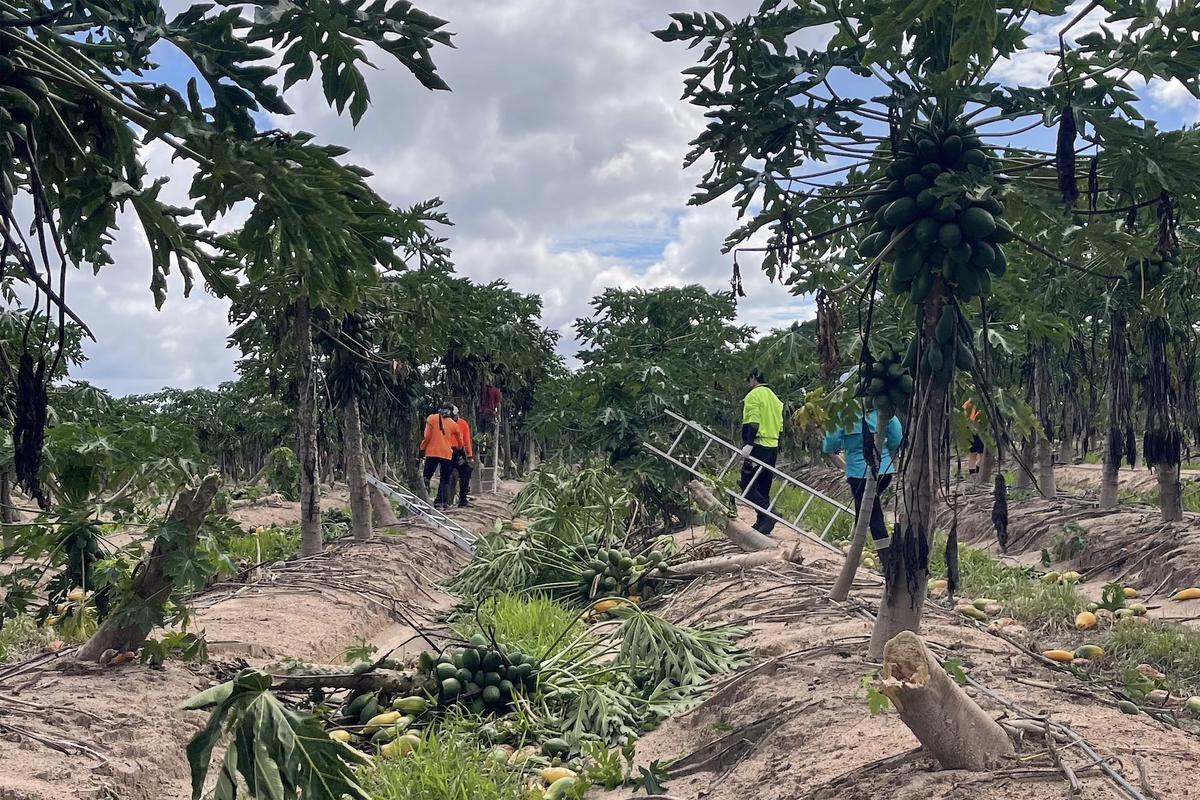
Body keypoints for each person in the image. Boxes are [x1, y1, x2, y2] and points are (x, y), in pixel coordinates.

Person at [822, 395, 903, 549]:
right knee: (865, 507)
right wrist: (886, 450)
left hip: (859, 474)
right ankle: (855, 546)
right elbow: (897, 437)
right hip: (884, 471)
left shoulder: (843, 412)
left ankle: (886, 557)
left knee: (873, 515)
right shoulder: (882, 409)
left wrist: (835, 448)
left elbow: (830, 442)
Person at [740, 368, 785, 534]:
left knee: (747, 486)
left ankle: (769, 512)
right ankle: (762, 523)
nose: (748, 383)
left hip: (758, 445)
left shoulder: (754, 395)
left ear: (753, 378)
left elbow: (752, 421)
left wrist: (748, 443)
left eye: (748, 380)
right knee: (763, 486)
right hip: (772, 447)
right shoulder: (775, 398)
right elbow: (780, 426)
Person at [419, 403, 461, 508]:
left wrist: (422, 448)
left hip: (431, 452)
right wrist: (458, 448)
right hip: (446, 454)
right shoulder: (453, 424)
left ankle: (423, 500)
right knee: (444, 479)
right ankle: (441, 503)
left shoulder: (431, 418)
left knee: (426, 477)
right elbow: (459, 441)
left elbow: (427, 436)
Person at [449, 405, 474, 507]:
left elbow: (466, 440)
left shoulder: (462, 423)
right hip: (448, 450)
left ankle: (463, 499)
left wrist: (469, 455)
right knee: (447, 476)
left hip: (459, 451)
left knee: (465, 473)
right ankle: (444, 501)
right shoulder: (444, 422)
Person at [963, 399, 985, 475]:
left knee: (982, 454)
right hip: (971, 430)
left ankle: (977, 471)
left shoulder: (982, 402)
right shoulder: (968, 403)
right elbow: (964, 414)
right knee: (973, 454)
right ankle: (972, 474)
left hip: (979, 431)